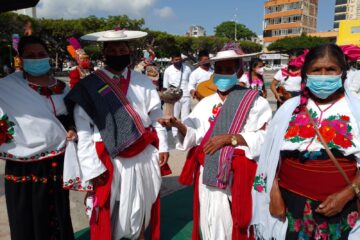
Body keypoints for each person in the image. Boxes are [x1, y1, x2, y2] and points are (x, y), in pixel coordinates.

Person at [64, 29, 170, 240]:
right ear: (104, 53)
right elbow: (83, 129)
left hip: (143, 152)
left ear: (129, 51)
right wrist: (91, 167)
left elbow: (156, 115)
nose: (118, 52)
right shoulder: (89, 85)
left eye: (122, 48)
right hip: (108, 154)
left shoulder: (143, 81)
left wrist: (164, 145)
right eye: (113, 49)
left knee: (141, 204)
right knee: (109, 208)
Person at [159, 43, 272, 240]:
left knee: (236, 222)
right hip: (209, 174)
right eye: (219, 70)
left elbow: (265, 137)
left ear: (239, 71)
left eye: (229, 70)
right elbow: (194, 134)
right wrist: (179, 126)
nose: (223, 74)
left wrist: (232, 139)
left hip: (238, 175)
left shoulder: (255, 101)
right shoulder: (206, 103)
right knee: (211, 221)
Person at [252, 44, 360, 240]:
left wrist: (348, 193)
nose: (323, 75)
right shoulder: (288, 110)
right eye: (316, 70)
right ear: (305, 74)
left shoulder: (356, 111)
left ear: (342, 73)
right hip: (290, 205)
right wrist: (272, 193)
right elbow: (270, 157)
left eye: (331, 70)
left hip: (342, 207)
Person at [0, 36, 75, 240]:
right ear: (21, 58)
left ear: (48, 56)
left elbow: (72, 117)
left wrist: (72, 128)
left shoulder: (63, 87)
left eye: (41, 54)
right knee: (25, 217)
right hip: (22, 164)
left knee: (58, 213)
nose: (37, 58)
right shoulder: (5, 87)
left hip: (57, 161)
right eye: (30, 55)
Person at [162, 50, 192, 122]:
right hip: (174, 97)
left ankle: (185, 132)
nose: (178, 61)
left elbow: (191, 82)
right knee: (174, 118)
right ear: (172, 61)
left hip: (186, 96)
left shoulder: (187, 69)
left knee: (185, 118)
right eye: (176, 60)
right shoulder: (168, 70)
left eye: (179, 59)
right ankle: (175, 133)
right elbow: (165, 86)